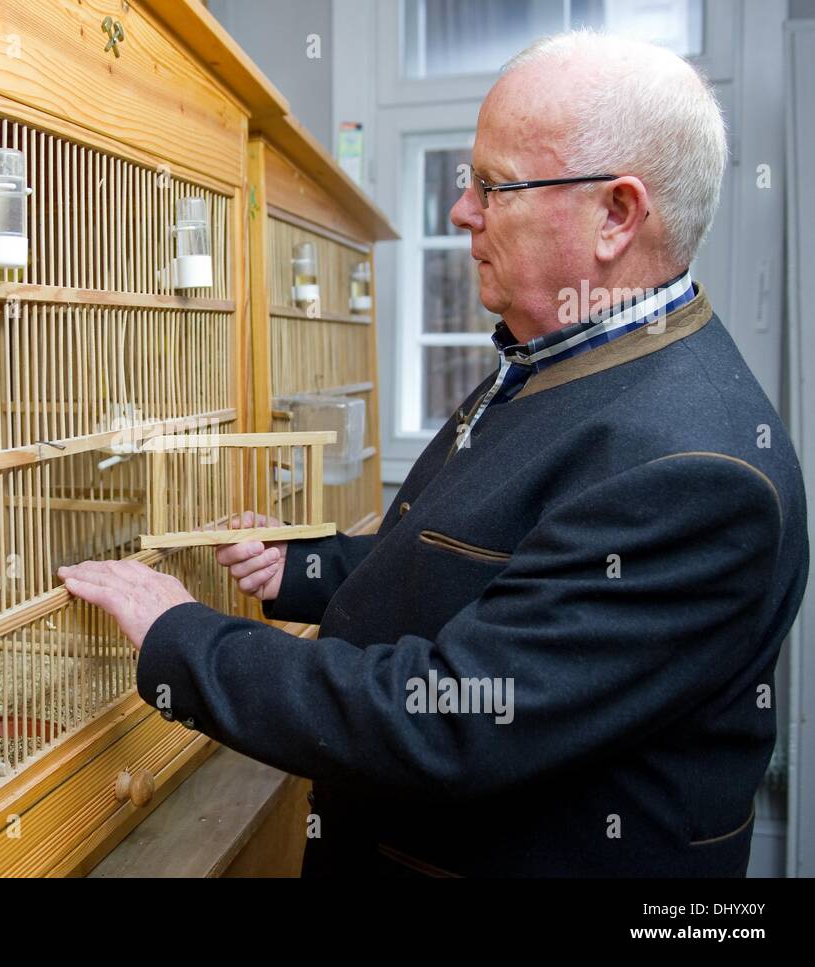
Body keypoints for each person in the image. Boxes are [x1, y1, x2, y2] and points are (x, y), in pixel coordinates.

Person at [58, 30, 809, 876]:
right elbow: (466, 556)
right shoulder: (559, 354)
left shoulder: (695, 471)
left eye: (493, 186)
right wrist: (301, 566)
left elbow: (450, 719)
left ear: (616, 214)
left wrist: (181, 636)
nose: (462, 211)